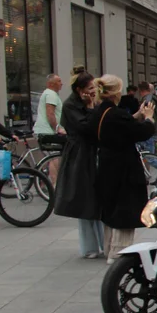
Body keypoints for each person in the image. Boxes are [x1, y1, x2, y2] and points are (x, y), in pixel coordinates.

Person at [86, 75, 157, 262]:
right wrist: (148, 119)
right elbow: (140, 132)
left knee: (110, 208)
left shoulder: (100, 112)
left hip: (106, 164)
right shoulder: (116, 114)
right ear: (116, 92)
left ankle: (110, 248)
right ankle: (120, 252)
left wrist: (138, 115)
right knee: (125, 208)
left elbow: (123, 126)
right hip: (123, 167)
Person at [54, 71, 104, 258]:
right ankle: (90, 247)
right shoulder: (70, 106)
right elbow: (86, 128)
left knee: (98, 200)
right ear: (79, 90)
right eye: (90, 88)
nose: (93, 92)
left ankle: (103, 242)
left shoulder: (92, 102)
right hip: (80, 156)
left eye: (95, 88)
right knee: (85, 200)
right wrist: (90, 106)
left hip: (94, 153)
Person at [33, 73, 65, 184]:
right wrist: (58, 128)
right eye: (59, 81)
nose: (62, 83)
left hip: (44, 130)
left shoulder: (49, 94)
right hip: (47, 132)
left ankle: (44, 183)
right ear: (51, 84)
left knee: (51, 157)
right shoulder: (51, 94)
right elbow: (50, 113)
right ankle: (54, 186)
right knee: (54, 158)